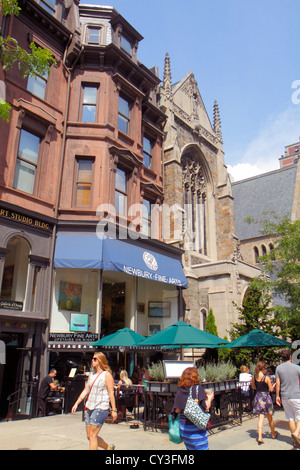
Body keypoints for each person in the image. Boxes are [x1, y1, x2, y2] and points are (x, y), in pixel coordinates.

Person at [71, 352, 117, 450]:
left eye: (95, 359)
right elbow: (86, 390)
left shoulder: (107, 375)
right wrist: (76, 403)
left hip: (101, 407)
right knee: (90, 436)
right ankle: (108, 447)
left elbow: (110, 393)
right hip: (90, 406)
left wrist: (114, 410)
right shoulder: (91, 374)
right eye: (92, 358)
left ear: (100, 361)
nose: (92, 360)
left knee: (93, 435)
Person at [172, 367, 214, 450]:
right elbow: (206, 408)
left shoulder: (181, 391)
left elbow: (177, 410)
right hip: (196, 427)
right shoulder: (198, 389)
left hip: (184, 428)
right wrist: (210, 398)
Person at [275, 349, 300, 448]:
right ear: (290, 357)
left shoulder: (278, 368)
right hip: (297, 395)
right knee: (299, 417)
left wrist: (277, 396)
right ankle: (296, 434)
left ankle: (294, 441)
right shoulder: (297, 368)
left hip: (285, 396)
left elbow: (277, 383)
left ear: (282, 358)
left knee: (290, 418)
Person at [251, 361, 277, 444]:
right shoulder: (266, 378)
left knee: (260, 419)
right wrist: (273, 385)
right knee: (270, 418)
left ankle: (260, 437)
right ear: (263, 369)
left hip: (258, 397)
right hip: (266, 397)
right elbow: (271, 390)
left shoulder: (254, 377)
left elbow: (253, 387)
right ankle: (273, 434)